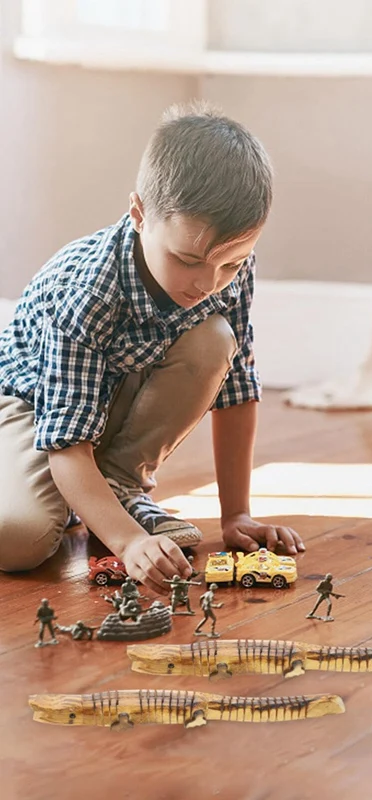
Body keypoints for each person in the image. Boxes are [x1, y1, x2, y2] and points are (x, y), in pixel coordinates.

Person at [0, 102, 305, 593]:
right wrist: (127, 542)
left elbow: (236, 391)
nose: (209, 282)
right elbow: (66, 442)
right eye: (187, 259)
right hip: (31, 404)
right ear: (140, 214)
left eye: (230, 264)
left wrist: (237, 514)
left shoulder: (228, 267)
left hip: (112, 392)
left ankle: (115, 487)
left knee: (216, 338)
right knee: (19, 542)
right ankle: (86, 501)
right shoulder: (87, 291)